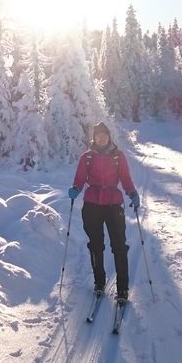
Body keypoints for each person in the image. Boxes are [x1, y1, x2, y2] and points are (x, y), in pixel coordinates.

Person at [67, 122, 139, 305]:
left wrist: (132, 193)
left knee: (119, 246)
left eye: (104, 135)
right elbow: (80, 178)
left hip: (113, 204)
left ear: (109, 137)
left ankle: (122, 288)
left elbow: (125, 178)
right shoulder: (87, 157)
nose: (101, 138)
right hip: (92, 205)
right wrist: (75, 188)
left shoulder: (118, 156)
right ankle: (99, 282)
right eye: (98, 135)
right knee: (96, 246)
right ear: (94, 138)